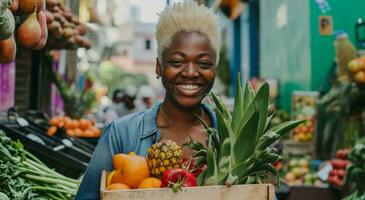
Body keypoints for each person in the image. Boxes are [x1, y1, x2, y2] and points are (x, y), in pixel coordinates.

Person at [75, 1, 220, 199]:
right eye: (177, 62)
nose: (190, 72)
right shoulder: (121, 134)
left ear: (214, 71)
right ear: (159, 67)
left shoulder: (233, 139)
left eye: (204, 63)